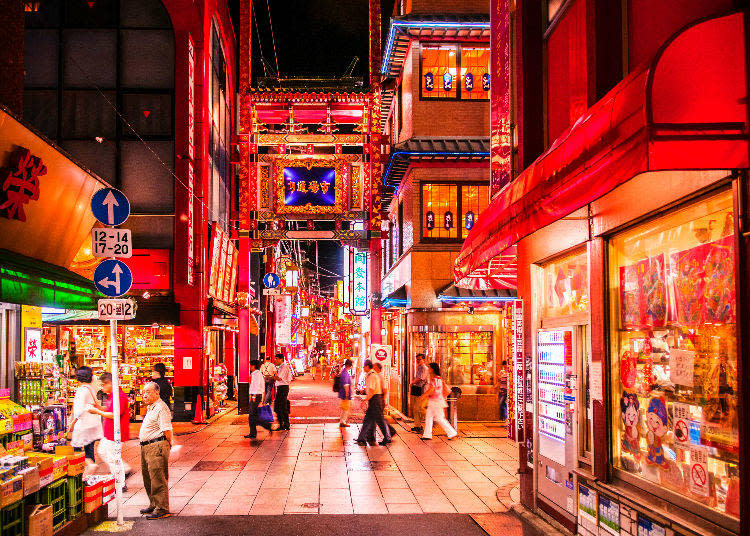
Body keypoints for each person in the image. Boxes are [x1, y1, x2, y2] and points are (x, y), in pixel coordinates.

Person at [89, 373, 131, 489]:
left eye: (103, 385)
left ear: (110, 383)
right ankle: (125, 470)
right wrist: (98, 408)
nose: (102, 388)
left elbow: (113, 414)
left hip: (116, 433)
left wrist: (97, 412)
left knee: (113, 458)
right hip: (109, 433)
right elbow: (109, 409)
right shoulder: (112, 395)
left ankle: (120, 483)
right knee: (102, 451)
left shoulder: (120, 396)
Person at [138, 382, 172, 519]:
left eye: (148, 392)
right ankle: (153, 504)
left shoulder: (161, 408)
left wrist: (168, 445)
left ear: (157, 393)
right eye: (143, 392)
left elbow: (167, 430)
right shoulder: (151, 407)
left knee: (158, 477)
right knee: (148, 477)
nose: (144, 395)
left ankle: (162, 508)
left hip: (156, 446)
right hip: (146, 446)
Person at [68, 366, 102, 469]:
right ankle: (90, 471)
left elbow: (78, 411)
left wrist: (73, 423)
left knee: (76, 449)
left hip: (83, 424)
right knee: (89, 449)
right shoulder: (91, 388)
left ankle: (86, 467)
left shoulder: (81, 390)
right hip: (93, 423)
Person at [356, 360, 391, 446]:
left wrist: (365, 401)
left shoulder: (372, 376)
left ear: (368, 366)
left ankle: (387, 437)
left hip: (375, 400)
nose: (363, 368)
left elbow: (371, 391)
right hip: (375, 399)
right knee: (369, 420)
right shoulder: (371, 375)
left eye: (364, 366)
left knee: (379, 420)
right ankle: (362, 438)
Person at [421, 363, 457, 440]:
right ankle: (427, 434)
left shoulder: (435, 379)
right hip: (435, 401)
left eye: (429, 368)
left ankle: (452, 432)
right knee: (429, 417)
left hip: (436, 401)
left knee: (439, 418)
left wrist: (423, 396)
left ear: (432, 369)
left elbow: (432, 389)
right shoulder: (438, 378)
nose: (428, 369)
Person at [246, 360, 273, 440]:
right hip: (255, 395)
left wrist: (254, 396)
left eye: (251, 365)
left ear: (254, 366)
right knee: (253, 415)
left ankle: (266, 425)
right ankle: (253, 433)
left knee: (252, 415)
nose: (250, 367)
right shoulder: (255, 374)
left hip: (256, 395)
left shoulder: (257, 374)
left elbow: (257, 386)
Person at [409, 353, 429, 433]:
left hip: (422, 391)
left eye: (419, 359)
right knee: (416, 409)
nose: (418, 361)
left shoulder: (424, 368)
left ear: (423, 360)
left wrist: (412, 383)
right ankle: (417, 426)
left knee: (419, 408)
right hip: (418, 390)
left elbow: (421, 378)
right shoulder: (419, 367)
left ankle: (430, 418)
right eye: (417, 359)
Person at [272, 353, 292, 430]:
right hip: (280, 388)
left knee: (281, 406)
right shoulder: (280, 367)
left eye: (276, 358)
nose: (275, 360)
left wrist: (272, 377)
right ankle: (282, 424)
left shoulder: (284, 367)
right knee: (279, 406)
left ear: (281, 359)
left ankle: (285, 424)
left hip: (283, 388)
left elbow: (279, 378)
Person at [338, 359, 353, 427]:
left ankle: (342, 421)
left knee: (344, 408)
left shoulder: (343, 372)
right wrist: (347, 394)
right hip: (345, 394)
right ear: (349, 366)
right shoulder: (345, 373)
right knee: (345, 408)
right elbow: (346, 384)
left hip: (343, 393)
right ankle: (343, 421)